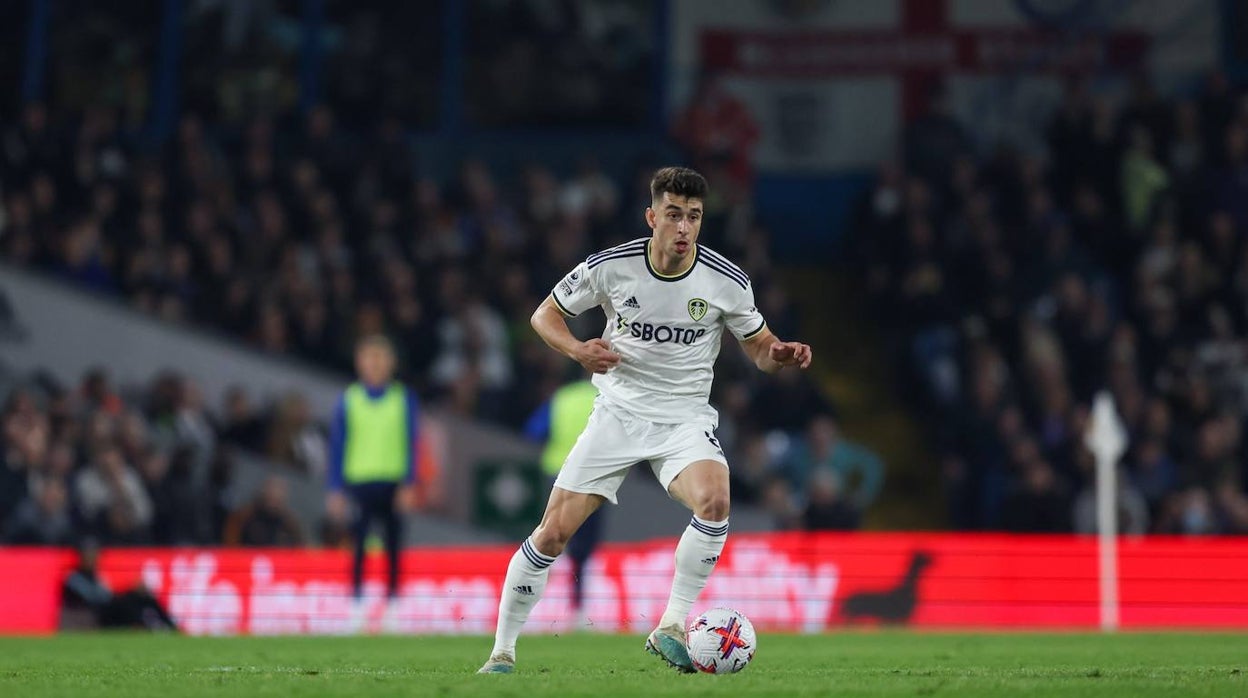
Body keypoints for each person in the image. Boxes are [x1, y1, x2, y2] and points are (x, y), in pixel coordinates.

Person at [478, 167, 813, 674]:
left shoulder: (726, 281)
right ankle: (502, 652)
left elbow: (760, 349)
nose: (684, 228)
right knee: (552, 535)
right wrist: (576, 349)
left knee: (716, 500)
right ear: (652, 217)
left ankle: (671, 625)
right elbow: (544, 315)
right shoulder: (612, 266)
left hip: (683, 418)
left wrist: (779, 354)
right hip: (618, 413)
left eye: (694, 218)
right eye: (674, 215)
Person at [326, 334, 420, 632]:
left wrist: (409, 482)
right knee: (357, 546)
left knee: (393, 545)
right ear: (359, 362)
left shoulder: (403, 398)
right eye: (370, 357)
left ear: (391, 362)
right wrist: (335, 488)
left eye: (381, 357)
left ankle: (393, 606)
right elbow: (338, 445)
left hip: (393, 483)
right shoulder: (349, 399)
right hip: (359, 482)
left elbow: (412, 442)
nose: (375, 364)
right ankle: (356, 605)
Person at [523, 378, 600, 625]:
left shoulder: (562, 397)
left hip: (559, 473)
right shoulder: (607, 396)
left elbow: (533, 430)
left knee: (554, 534)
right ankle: (578, 604)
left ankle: (542, 600)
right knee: (585, 541)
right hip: (594, 475)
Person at [61, 538, 178, 631]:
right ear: (81, 556)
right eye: (89, 554)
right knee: (130, 600)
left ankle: (171, 627)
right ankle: (145, 626)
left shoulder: (98, 575)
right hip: (95, 616)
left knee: (141, 595)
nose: (93, 558)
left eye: (95, 554)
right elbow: (94, 598)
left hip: (107, 610)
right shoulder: (73, 578)